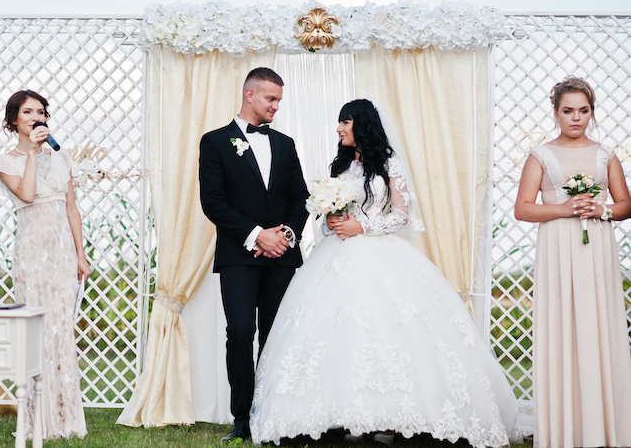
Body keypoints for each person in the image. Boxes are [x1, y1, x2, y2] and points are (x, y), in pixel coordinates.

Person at [249, 99, 522, 446]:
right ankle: (350, 414)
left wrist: (362, 227)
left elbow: (402, 213)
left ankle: (389, 420)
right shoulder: (342, 167)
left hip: (380, 253)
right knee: (341, 335)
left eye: (344, 122)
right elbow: (331, 219)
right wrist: (333, 222)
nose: (338, 129)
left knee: (386, 330)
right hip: (336, 257)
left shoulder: (388, 164)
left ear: (360, 124)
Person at [514, 76, 631, 447]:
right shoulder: (541, 155)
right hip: (558, 248)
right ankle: (565, 429)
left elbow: (625, 204)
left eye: (583, 110)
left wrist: (603, 210)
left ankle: (605, 428)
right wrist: (563, 208)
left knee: (599, 326)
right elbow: (522, 209)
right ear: (556, 113)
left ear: (591, 113)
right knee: (562, 327)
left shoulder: (605, 154)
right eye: (568, 111)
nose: (576, 118)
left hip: (596, 246)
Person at [198, 68, 310, 441]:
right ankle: (242, 418)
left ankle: (275, 413)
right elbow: (213, 203)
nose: (276, 106)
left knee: (276, 335)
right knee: (241, 331)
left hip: (282, 257)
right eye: (271, 99)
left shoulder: (285, 143)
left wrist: (286, 235)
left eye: (278, 100)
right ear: (250, 95)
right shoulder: (214, 142)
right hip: (239, 257)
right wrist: (256, 236)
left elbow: (300, 199)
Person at [0, 90, 91, 440]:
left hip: (62, 253)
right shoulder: (5, 162)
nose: (36, 116)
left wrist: (81, 254)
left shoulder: (61, 158)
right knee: (37, 333)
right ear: (14, 120)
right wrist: (32, 153)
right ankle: (37, 419)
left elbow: (71, 208)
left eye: (41, 111)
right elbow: (28, 194)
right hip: (32, 254)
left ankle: (64, 418)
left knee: (62, 330)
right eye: (28, 111)